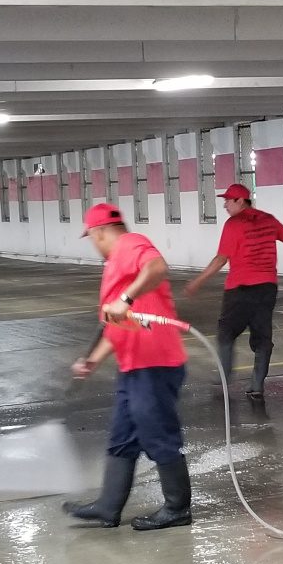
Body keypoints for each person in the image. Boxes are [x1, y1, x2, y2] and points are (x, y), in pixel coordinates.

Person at [61, 204, 195, 531]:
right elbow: (117, 327)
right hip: (132, 365)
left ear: (98, 232)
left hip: (155, 364)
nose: (93, 244)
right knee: (121, 436)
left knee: (157, 432)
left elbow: (157, 267)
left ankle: (178, 508)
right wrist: (93, 360)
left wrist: (128, 298)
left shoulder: (130, 244)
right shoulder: (113, 265)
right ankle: (108, 507)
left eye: (91, 237)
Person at [183, 183, 283, 398]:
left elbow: (221, 259)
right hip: (267, 288)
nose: (225, 204)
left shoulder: (233, 224)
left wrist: (198, 281)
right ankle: (256, 385)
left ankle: (224, 377)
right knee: (262, 338)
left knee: (226, 332)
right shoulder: (268, 219)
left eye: (228, 200)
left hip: (240, 289)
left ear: (240, 201)